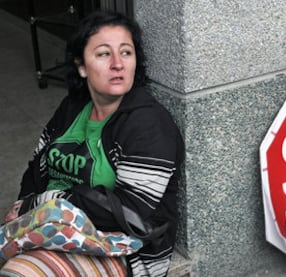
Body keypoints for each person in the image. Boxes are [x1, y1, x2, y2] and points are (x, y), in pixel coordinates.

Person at [1, 10, 184, 277]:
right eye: (103, 54)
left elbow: (128, 212)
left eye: (126, 52)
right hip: (52, 230)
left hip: (120, 248)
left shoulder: (149, 125)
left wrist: (40, 204)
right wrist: (26, 209)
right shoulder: (73, 107)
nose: (117, 63)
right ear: (81, 66)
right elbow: (36, 169)